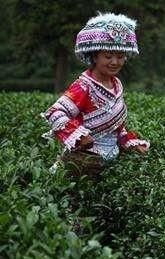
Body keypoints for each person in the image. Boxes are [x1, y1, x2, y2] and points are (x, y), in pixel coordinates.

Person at [41, 12, 149, 176]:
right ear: (94, 56)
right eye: (108, 56)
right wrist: (79, 137)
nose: (115, 62)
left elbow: (116, 128)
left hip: (110, 164)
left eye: (120, 56)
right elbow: (55, 113)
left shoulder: (116, 84)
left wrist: (130, 143)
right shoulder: (83, 86)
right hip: (82, 164)